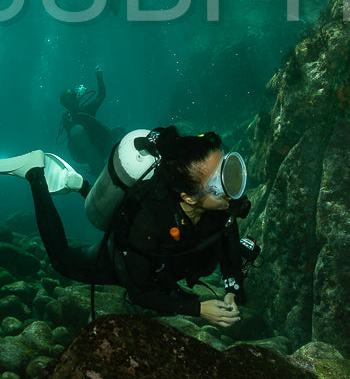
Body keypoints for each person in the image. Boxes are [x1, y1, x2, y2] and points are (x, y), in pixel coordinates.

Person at [26, 127, 258, 324]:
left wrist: (233, 290)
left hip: (170, 261)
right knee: (61, 260)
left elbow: (229, 247)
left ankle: (82, 187)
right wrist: (199, 310)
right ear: (188, 197)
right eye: (220, 183)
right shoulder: (149, 223)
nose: (233, 191)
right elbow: (138, 293)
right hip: (124, 258)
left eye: (227, 168)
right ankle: (35, 174)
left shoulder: (220, 205)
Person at [58, 67, 122, 175]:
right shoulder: (86, 111)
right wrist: (99, 76)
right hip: (103, 146)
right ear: (73, 97)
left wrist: (77, 99)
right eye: (74, 93)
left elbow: (74, 112)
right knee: (121, 131)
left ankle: (95, 168)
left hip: (82, 156)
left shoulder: (66, 118)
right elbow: (101, 95)